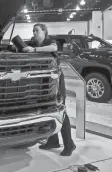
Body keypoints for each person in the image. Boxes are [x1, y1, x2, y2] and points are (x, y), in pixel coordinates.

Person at [23, 23, 76, 157]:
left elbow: (54, 47)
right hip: (42, 82)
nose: (34, 33)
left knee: (61, 110)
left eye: (37, 30)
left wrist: (33, 50)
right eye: (33, 31)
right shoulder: (33, 42)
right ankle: (53, 141)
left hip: (55, 80)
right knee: (48, 110)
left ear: (44, 31)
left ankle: (69, 144)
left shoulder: (49, 41)